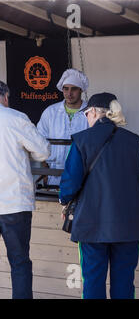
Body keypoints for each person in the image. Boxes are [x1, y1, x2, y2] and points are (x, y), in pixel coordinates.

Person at [58, 92, 139, 299]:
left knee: (93, 282)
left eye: (86, 114)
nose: (86, 119)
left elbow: (70, 183)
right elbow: (138, 176)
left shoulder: (82, 140)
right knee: (124, 283)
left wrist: (64, 202)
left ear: (94, 113)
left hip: (92, 224)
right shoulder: (133, 141)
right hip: (128, 224)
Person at [0, 81, 50, 299]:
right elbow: (43, 152)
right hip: (14, 203)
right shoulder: (15, 118)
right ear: (5, 97)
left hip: (13, 204)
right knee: (19, 262)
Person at [37, 68, 89, 186]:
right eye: (66, 89)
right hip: (54, 174)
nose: (69, 93)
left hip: (82, 175)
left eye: (74, 89)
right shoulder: (50, 112)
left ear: (81, 90)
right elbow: (39, 141)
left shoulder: (91, 112)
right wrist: (45, 170)